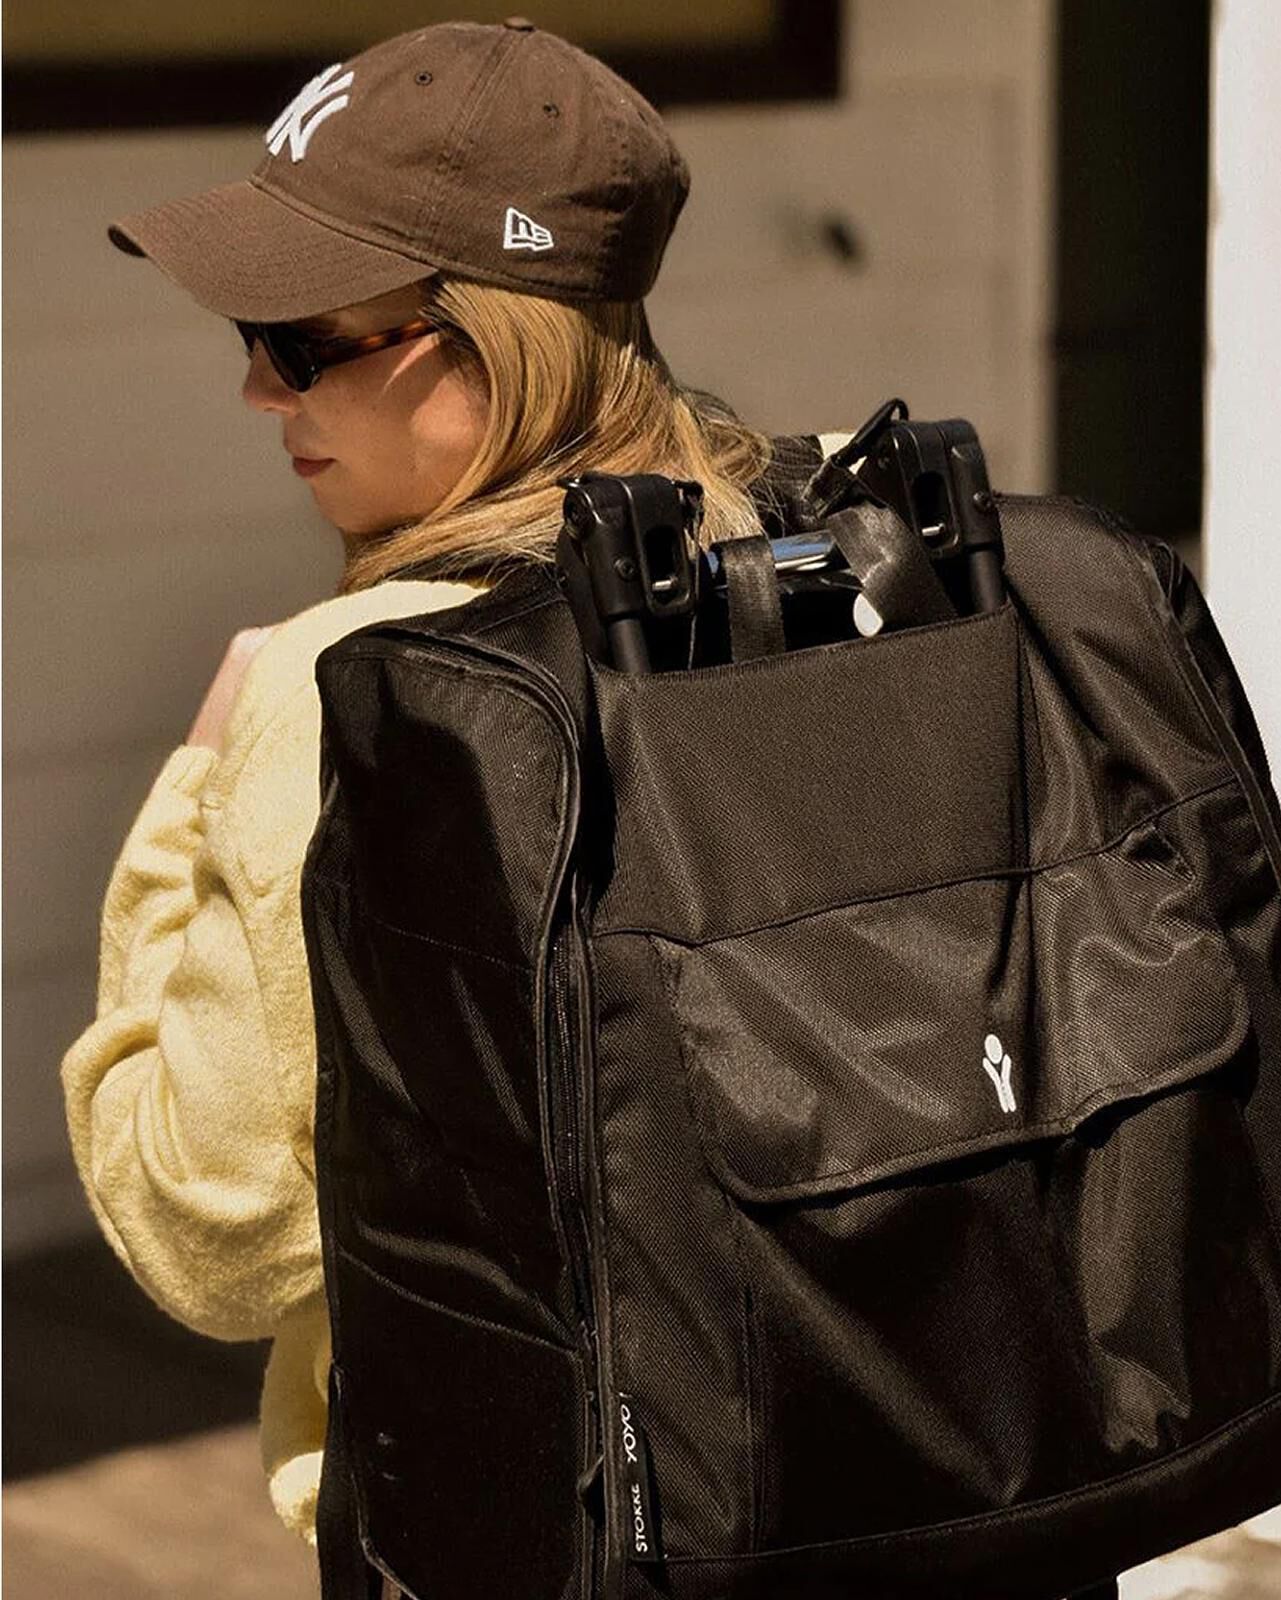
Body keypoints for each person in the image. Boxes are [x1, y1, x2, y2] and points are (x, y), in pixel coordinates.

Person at [59, 15, 780, 1558]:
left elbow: (212, 1236)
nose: (261, 393)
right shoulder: (825, 574)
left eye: (308, 338)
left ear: (498, 334)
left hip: (558, 1537)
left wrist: (194, 786)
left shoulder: (353, 692)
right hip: (934, 1486)